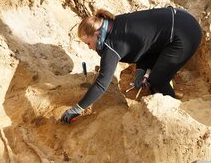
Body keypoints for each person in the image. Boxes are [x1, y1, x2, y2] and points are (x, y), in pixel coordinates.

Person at [60, 7, 203, 123]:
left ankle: (175, 118)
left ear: (97, 34)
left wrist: (77, 108)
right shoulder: (115, 24)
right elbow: (147, 43)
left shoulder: (112, 45)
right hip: (182, 21)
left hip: (185, 36)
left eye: (88, 43)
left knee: (158, 81)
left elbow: (101, 84)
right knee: (153, 78)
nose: (89, 47)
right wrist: (141, 69)